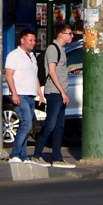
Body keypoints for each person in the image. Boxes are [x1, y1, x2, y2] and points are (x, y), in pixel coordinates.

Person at [33, 24, 76, 168]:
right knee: (50, 124)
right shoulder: (53, 49)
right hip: (54, 93)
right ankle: (37, 154)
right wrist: (63, 92)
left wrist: (69, 70)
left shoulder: (62, 50)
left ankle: (57, 157)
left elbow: (58, 69)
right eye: (69, 33)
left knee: (59, 126)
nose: (72, 36)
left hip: (60, 93)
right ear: (61, 34)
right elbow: (51, 71)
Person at [4, 28, 41, 164]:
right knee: (26, 124)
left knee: (27, 126)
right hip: (20, 94)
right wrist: (14, 93)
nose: (33, 43)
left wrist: (40, 94)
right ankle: (15, 154)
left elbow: (34, 76)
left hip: (31, 95)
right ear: (22, 40)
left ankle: (23, 155)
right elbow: (9, 75)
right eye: (30, 40)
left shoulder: (32, 56)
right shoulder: (14, 55)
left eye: (34, 40)